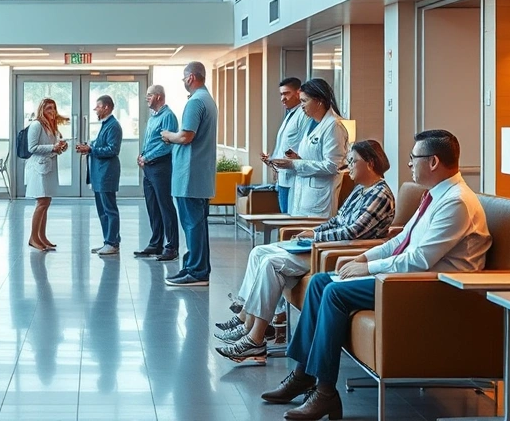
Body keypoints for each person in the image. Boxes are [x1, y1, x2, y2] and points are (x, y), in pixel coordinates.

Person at [263, 130, 490, 420]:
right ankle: (303, 374)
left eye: (413, 158)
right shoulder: (435, 195)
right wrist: (364, 257)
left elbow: (420, 260)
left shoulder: (456, 202)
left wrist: (367, 269)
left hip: (431, 288)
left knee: (333, 292)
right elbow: (400, 241)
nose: (409, 164)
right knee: (321, 282)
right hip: (409, 280)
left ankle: (325, 393)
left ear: (433, 162)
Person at [215, 140, 395, 365]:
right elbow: (338, 220)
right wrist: (314, 230)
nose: (348, 165)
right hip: (326, 244)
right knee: (259, 252)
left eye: (353, 160)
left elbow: (354, 231)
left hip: (339, 252)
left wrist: (317, 238)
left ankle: (254, 336)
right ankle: (246, 322)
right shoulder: (361, 190)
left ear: (369, 163)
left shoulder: (380, 194)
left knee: (271, 264)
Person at [162, 61, 218, 287]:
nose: (184, 82)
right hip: (199, 175)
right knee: (197, 224)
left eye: (184, 78)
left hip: (190, 176)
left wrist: (168, 135)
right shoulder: (208, 100)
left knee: (193, 224)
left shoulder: (196, 102)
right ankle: (196, 267)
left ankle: (196, 271)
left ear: (191, 77)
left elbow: (186, 136)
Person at [268, 78, 348, 218]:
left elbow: (333, 166)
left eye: (305, 101)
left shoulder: (333, 126)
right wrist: (297, 159)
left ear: (319, 101)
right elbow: (312, 158)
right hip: (301, 195)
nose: (302, 106)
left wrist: (295, 164)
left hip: (319, 200)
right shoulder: (312, 124)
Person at [134, 84, 180, 262]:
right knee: (153, 207)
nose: (147, 98)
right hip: (149, 167)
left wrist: (148, 157)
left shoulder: (168, 116)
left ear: (159, 97)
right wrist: (142, 156)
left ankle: (172, 247)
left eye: (150, 95)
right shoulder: (153, 117)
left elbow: (166, 144)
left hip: (160, 166)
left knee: (165, 206)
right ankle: (156, 244)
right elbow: (151, 141)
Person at [77, 95, 122, 256]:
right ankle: (108, 241)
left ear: (107, 108)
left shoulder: (113, 126)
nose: (96, 109)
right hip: (99, 173)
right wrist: (90, 146)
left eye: (98, 107)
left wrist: (91, 150)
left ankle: (112, 242)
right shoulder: (105, 125)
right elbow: (101, 144)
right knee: (102, 210)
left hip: (106, 173)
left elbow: (112, 150)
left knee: (109, 209)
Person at [261, 77, 310, 213]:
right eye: (281, 94)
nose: (283, 98)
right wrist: (272, 160)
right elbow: (286, 144)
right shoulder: (290, 115)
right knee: (285, 216)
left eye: (286, 93)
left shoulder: (303, 114)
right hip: (283, 176)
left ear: (298, 92)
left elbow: (303, 146)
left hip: (294, 177)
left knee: (290, 220)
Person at [25, 98, 69, 251]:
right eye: (48, 108)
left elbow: (54, 145)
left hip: (48, 167)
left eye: (54, 108)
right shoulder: (36, 125)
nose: (52, 111)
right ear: (42, 110)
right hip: (39, 169)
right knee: (41, 203)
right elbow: (32, 147)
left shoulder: (51, 126)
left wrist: (61, 146)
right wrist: (52, 147)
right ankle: (33, 237)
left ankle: (42, 237)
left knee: (46, 203)